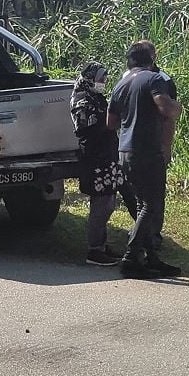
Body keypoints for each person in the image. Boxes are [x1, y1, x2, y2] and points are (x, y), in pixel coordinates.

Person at [108, 40, 182, 279]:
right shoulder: (154, 79)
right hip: (147, 151)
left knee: (142, 205)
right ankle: (131, 258)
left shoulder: (121, 84)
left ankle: (151, 258)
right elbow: (166, 109)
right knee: (150, 205)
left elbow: (111, 122)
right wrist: (177, 107)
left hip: (125, 151)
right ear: (152, 59)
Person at [71, 62, 126, 266]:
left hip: (107, 155)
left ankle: (101, 244)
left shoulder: (96, 97)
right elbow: (85, 127)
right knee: (101, 204)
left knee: (109, 202)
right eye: (100, 78)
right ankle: (94, 250)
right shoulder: (81, 99)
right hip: (94, 157)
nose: (103, 82)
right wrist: (110, 121)